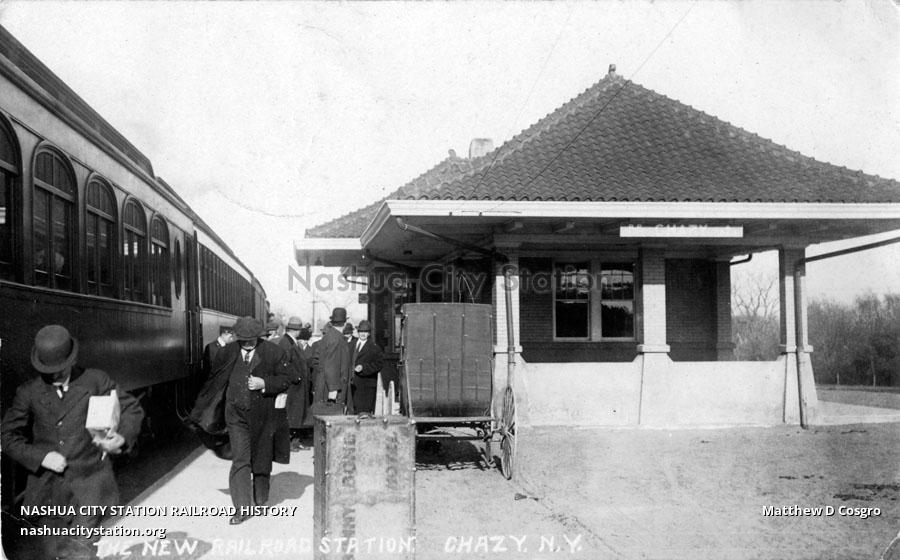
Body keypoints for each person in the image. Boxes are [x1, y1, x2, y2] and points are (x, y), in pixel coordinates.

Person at [1, 325, 144, 559]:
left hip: (90, 486)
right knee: (51, 552)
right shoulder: (28, 392)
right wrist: (41, 457)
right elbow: (7, 436)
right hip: (48, 492)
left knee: (80, 553)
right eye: (47, 371)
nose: (54, 376)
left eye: (59, 370)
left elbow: (131, 408)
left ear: (70, 360)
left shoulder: (96, 380)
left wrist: (122, 437)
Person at [196, 316, 290, 525]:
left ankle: (261, 499)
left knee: (261, 457)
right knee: (241, 459)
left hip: (263, 415)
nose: (247, 344)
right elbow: (215, 380)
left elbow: (286, 379)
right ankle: (242, 508)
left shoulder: (273, 352)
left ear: (259, 336)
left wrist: (264, 382)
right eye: (243, 340)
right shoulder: (227, 352)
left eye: (251, 340)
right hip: (235, 415)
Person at [276, 316, 310, 452]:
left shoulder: (290, 342)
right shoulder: (286, 343)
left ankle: (295, 441)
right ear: (296, 331)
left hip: (297, 387)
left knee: (296, 415)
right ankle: (288, 443)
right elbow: (285, 365)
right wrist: (297, 378)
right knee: (291, 415)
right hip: (293, 387)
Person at [312, 309, 353, 413]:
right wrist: (333, 390)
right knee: (333, 420)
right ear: (345, 323)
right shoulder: (336, 339)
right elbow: (331, 366)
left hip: (327, 386)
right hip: (333, 391)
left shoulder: (329, 336)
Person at [350, 319, 385, 414]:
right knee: (352, 412)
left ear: (369, 333)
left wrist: (364, 368)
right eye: (361, 331)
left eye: (365, 332)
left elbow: (379, 364)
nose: (363, 334)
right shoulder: (351, 345)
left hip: (366, 387)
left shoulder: (374, 348)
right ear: (358, 332)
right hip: (352, 385)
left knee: (363, 413)